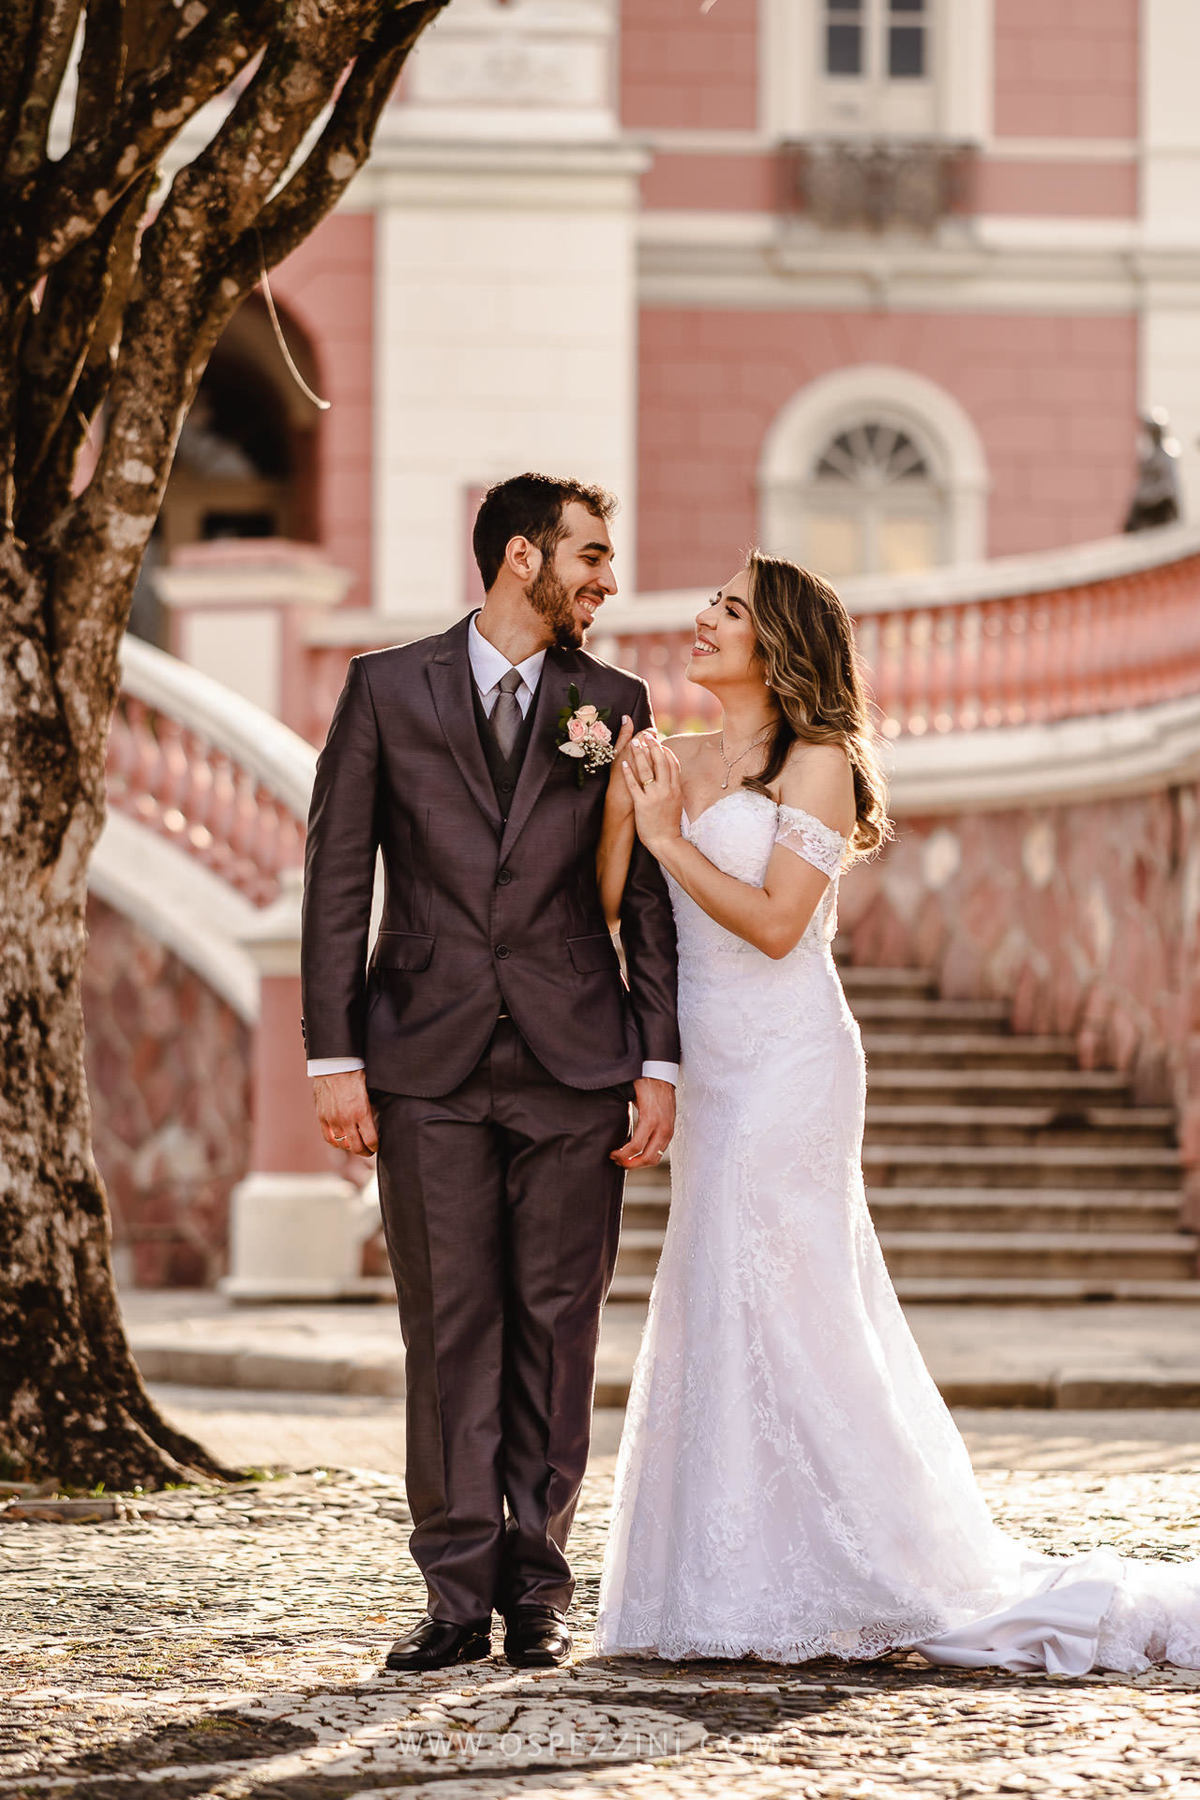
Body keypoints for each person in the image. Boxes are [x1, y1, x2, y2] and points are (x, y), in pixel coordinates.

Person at [592, 549, 1199, 1675]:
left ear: (778, 644)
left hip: (790, 1063)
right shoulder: (663, 760)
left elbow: (778, 924)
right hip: (710, 1065)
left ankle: (877, 1563)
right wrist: (632, 812)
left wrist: (673, 836)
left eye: (730, 608)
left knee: (793, 1291)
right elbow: (609, 905)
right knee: (714, 1288)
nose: (704, 619)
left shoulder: (817, 763)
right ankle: (721, 1578)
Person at [300, 473, 680, 1672]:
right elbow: (335, 883)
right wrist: (333, 1056)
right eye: (591, 556)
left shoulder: (614, 702)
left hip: (576, 1059)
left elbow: (649, 892)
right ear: (524, 558)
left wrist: (658, 1058)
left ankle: (539, 1589)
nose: (606, 580)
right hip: (425, 1058)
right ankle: (456, 1594)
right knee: (449, 1327)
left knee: (559, 1331)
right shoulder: (383, 688)